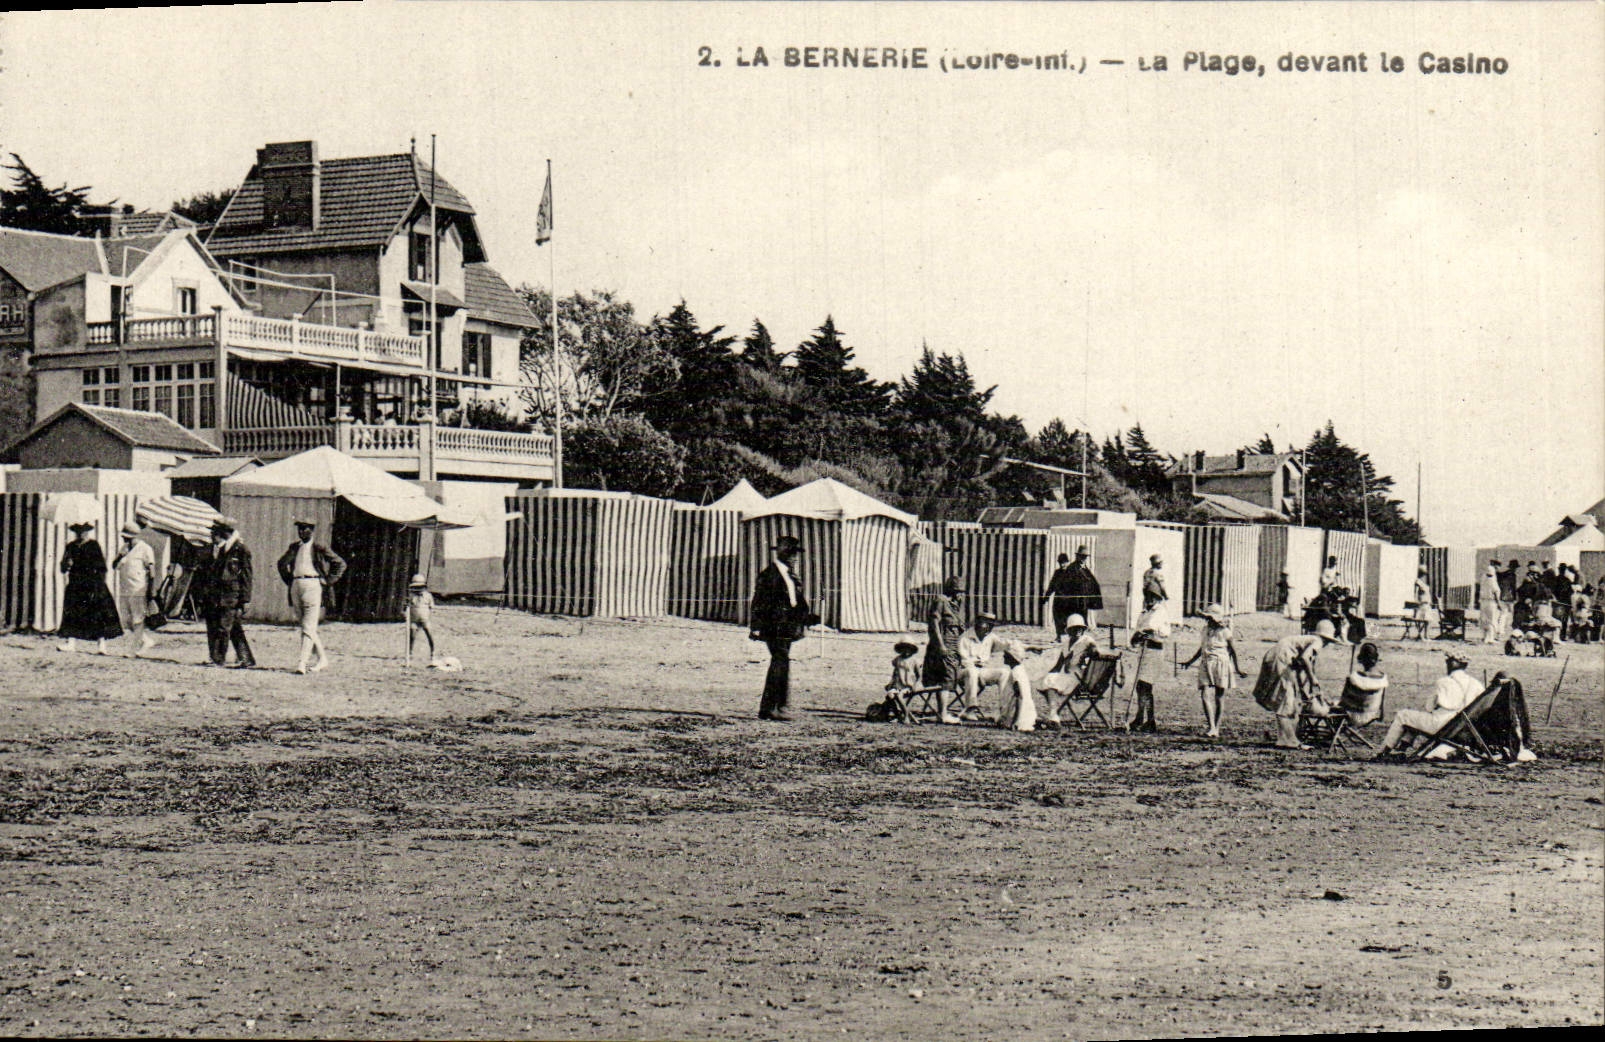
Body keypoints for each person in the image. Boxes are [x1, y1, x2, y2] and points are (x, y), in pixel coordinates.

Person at [748, 534, 818, 721]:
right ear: (784, 554)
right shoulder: (769, 575)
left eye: (796, 554)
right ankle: (772, 707)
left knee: (781, 662)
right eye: (792, 554)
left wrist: (807, 618)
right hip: (774, 626)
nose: (795, 558)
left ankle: (776, 707)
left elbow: (795, 602)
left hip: (787, 626)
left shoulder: (789, 575)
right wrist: (755, 625)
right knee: (780, 661)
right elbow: (758, 601)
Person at [1251, 619, 1343, 750]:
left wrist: (1306, 690)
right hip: (1282, 659)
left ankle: (1284, 738)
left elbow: (1300, 669)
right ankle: (1289, 740)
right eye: (1328, 641)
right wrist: (1312, 678)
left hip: (1275, 656)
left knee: (1286, 699)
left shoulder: (1306, 640)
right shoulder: (1317, 641)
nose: (1327, 644)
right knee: (1285, 701)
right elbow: (1305, 658)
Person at [1375, 651, 1482, 757]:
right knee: (1415, 718)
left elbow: (1429, 707)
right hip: (1461, 728)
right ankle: (1402, 748)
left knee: (1403, 715)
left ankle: (1383, 751)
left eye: (1448, 662)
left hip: (1440, 725)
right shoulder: (1476, 684)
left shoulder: (1444, 682)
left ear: (1452, 664)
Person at [277, 518, 347, 674]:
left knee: (308, 626)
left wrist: (328, 580)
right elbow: (281, 563)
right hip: (296, 585)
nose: (302, 532)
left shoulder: (319, 547)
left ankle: (302, 663)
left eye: (305, 528)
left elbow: (340, 563)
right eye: (300, 529)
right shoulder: (294, 547)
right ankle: (322, 658)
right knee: (305, 626)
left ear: (312, 530)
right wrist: (290, 581)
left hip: (313, 585)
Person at [194, 516, 255, 668]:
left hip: (231, 595)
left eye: (216, 531)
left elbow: (247, 576)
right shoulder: (220, 549)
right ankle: (246, 659)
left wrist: (245, 599)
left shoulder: (240, 549)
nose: (213, 534)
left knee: (223, 627)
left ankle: (218, 659)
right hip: (217, 595)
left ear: (226, 532)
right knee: (232, 627)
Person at [1179, 603, 1248, 738]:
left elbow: (1233, 651)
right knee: (1204, 694)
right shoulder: (1205, 630)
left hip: (1221, 663)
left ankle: (1216, 727)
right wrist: (1189, 662)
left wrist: (1238, 669)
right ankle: (1211, 726)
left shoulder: (1225, 632)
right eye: (1207, 618)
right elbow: (1202, 648)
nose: (1208, 620)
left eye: (1210, 618)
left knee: (1219, 696)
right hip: (1206, 662)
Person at [57, 520, 122, 654]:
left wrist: (99, 584)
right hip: (75, 584)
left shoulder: (93, 546)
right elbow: (62, 568)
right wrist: (67, 564)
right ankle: (71, 643)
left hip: (92, 584)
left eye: (83, 531)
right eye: (78, 531)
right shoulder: (70, 547)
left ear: (87, 532)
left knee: (97, 614)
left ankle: (101, 645)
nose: (81, 534)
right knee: (72, 613)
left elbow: (102, 567)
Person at [1308, 640, 1389, 729]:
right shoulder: (1383, 679)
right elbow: (1382, 706)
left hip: (1351, 716)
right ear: (1376, 659)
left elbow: (1344, 702)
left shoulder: (1354, 678)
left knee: (1324, 706)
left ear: (1361, 659)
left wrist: (1331, 705)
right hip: (1370, 716)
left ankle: (1332, 731)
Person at [922, 575, 968, 724]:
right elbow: (934, 625)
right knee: (945, 678)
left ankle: (943, 712)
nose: (961, 595)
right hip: (942, 646)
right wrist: (940, 646)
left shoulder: (956, 606)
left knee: (949, 677)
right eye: (959, 592)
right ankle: (942, 714)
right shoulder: (941, 601)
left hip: (954, 647)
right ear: (952, 591)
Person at [1037, 613, 1095, 727]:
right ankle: (1053, 714)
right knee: (1046, 680)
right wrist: (1047, 675)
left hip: (1079, 677)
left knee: (1050, 683)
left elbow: (1095, 651)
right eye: (1075, 628)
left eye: (1080, 628)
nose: (1078, 630)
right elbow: (1059, 665)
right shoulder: (1066, 643)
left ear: (1083, 629)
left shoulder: (1087, 640)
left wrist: (1086, 654)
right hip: (1067, 675)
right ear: (1069, 630)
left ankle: (1053, 715)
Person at [112, 521, 158, 657]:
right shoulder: (124, 549)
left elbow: (152, 571)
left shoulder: (145, 549)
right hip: (125, 588)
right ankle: (146, 640)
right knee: (126, 620)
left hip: (138, 589)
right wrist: (121, 555)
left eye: (127, 537)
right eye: (124, 537)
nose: (125, 539)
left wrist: (151, 590)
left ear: (134, 536)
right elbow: (114, 566)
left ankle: (134, 649)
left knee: (138, 619)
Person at [958, 609, 1006, 721]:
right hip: (964, 672)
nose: (989, 628)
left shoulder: (990, 637)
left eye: (991, 625)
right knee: (972, 672)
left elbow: (1005, 644)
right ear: (977, 623)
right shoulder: (965, 638)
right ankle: (969, 709)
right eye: (986, 624)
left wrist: (1028, 647)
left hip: (981, 671)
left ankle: (1005, 711)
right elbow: (963, 661)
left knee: (1004, 672)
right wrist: (976, 669)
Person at [1041, 545, 1102, 633]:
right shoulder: (1072, 568)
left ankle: (1080, 634)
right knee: (1072, 619)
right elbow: (1060, 585)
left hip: (1083, 601)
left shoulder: (1085, 569)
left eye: (1085, 557)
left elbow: (1092, 583)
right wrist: (1048, 597)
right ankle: (1064, 635)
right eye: (1082, 556)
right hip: (1073, 601)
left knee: (1083, 618)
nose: (1083, 558)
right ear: (1077, 556)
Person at [994, 640, 1040, 732]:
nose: (1003, 656)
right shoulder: (1018, 670)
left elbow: (1019, 698)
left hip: (1020, 713)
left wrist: (1015, 721)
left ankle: (1015, 721)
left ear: (1012, 657)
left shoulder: (1017, 673)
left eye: (1006, 655)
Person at [1127, 626, 1166, 733]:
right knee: (1140, 687)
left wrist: (1150, 636)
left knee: (1145, 686)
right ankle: (1141, 718)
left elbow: (1164, 635)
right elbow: (1135, 638)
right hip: (1143, 653)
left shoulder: (1160, 616)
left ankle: (1149, 721)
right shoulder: (1143, 617)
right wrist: (1138, 637)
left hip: (1154, 654)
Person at [1137, 553, 1171, 637]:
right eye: (1161, 562)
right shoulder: (1158, 574)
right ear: (1158, 563)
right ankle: (1154, 631)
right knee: (1158, 613)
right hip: (1156, 596)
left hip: (1147, 597)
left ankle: (1145, 629)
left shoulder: (1147, 572)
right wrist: (1166, 596)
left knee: (1147, 613)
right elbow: (1162, 586)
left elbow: (1145, 586)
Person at [405, 574, 436, 664]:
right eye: (416, 587)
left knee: (429, 634)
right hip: (414, 620)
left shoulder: (428, 596)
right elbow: (407, 607)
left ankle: (433, 652)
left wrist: (428, 616)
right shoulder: (411, 596)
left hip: (425, 619)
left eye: (419, 587)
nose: (417, 589)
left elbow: (431, 607)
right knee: (412, 636)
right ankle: (409, 653)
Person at [1480, 561, 1505, 645]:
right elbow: (1496, 592)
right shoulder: (1493, 580)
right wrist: (1499, 603)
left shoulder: (1483, 578)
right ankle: (1490, 638)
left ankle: (1485, 637)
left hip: (1483, 601)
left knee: (1484, 620)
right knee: (1492, 620)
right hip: (1491, 602)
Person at [1410, 567, 1436, 639]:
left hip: (1427, 604)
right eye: (1423, 574)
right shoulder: (1418, 582)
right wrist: (1416, 603)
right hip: (1421, 604)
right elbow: (1415, 594)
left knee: (1428, 620)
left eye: (1424, 574)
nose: (1424, 575)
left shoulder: (1424, 582)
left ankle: (1426, 635)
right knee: (1421, 619)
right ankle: (1421, 635)